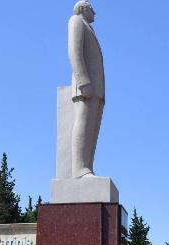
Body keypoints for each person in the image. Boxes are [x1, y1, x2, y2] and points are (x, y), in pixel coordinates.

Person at [68, 1, 105, 179]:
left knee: (92, 129)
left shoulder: (88, 27)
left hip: (96, 89)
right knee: (83, 123)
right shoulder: (76, 21)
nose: (94, 13)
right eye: (92, 9)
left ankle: (87, 166)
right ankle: (79, 169)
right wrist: (83, 80)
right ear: (83, 8)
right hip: (86, 86)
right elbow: (74, 51)